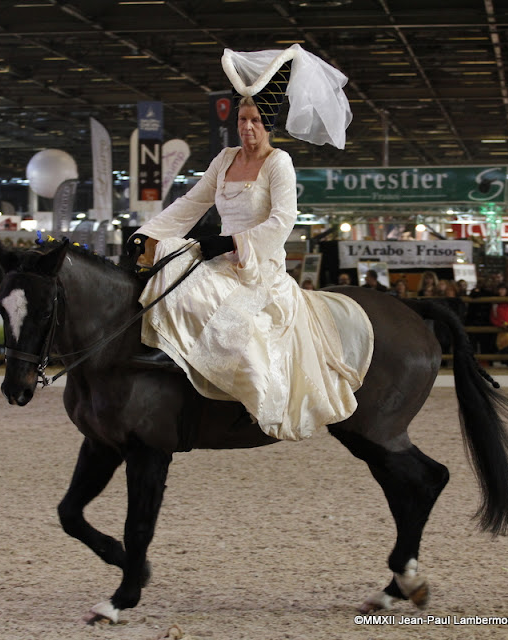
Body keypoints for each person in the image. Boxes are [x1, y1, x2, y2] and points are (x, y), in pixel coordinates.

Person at [127, 44, 362, 442]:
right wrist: (149, 232)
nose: (246, 128)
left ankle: (255, 398)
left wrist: (234, 241)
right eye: (242, 120)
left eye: (254, 121)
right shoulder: (224, 159)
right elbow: (192, 203)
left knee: (238, 322)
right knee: (168, 279)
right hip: (218, 256)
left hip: (258, 265)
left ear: (267, 123)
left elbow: (283, 220)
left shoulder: (278, 163)